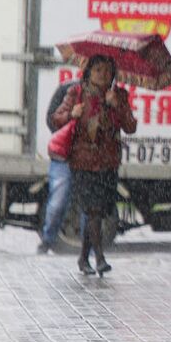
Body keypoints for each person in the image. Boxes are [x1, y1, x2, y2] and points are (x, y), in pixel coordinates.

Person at [53, 55, 137, 276]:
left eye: (108, 71)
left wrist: (117, 106)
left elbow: (130, 126)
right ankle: (99, 258)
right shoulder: (77, 93)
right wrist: (72, 113)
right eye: (98, 70)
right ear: (88, 72)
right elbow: (57, 118)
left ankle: (83, 258)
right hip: (82, 161)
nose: (103, 75)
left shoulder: (118, 95)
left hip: (108, 162)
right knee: (93, 210)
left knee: (99, 211)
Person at [37, 79, 80, 254]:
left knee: (91, 208)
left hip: (91, 159)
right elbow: (52, 120)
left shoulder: (106, 96)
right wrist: (71, 116)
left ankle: (91, 249)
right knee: (57, 203)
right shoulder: (68, 91)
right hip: (65, 157)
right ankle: (48, 239)